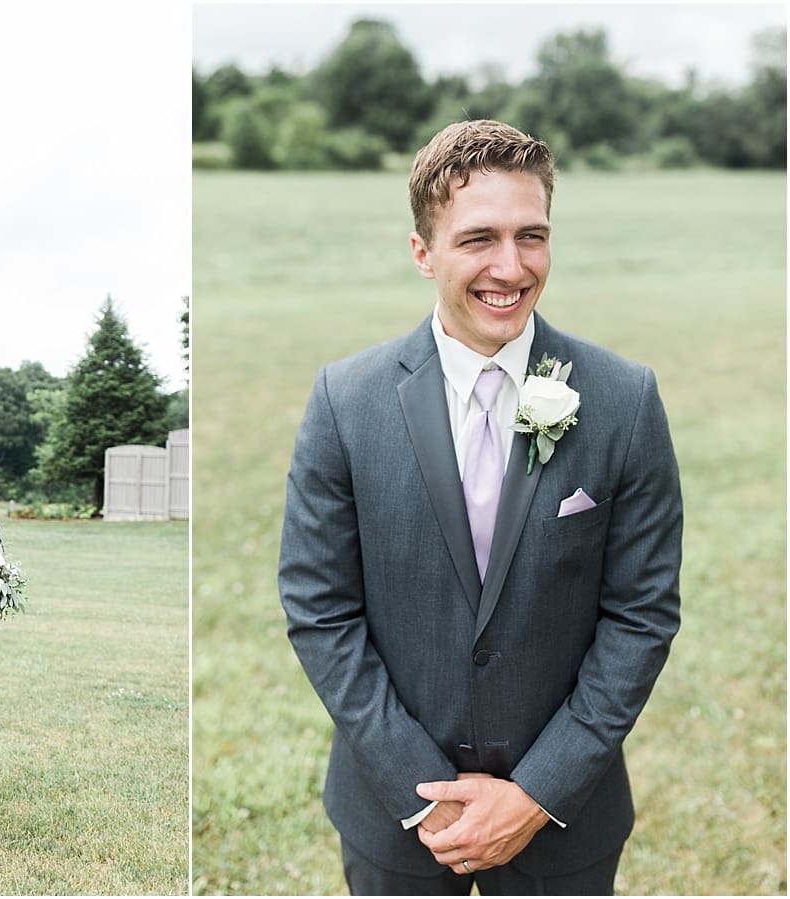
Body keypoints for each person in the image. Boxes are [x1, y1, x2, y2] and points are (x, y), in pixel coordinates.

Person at [278, 119, 682, 896]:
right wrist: (418, 789)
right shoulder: (345, 401)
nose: (511, 266)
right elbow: (320, 607)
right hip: (397, 819)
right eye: (478, 239)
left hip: (566, 821)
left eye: (532, 236)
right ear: (423, 252)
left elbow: (641, 614)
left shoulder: (625, 399)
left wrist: (537, 793)